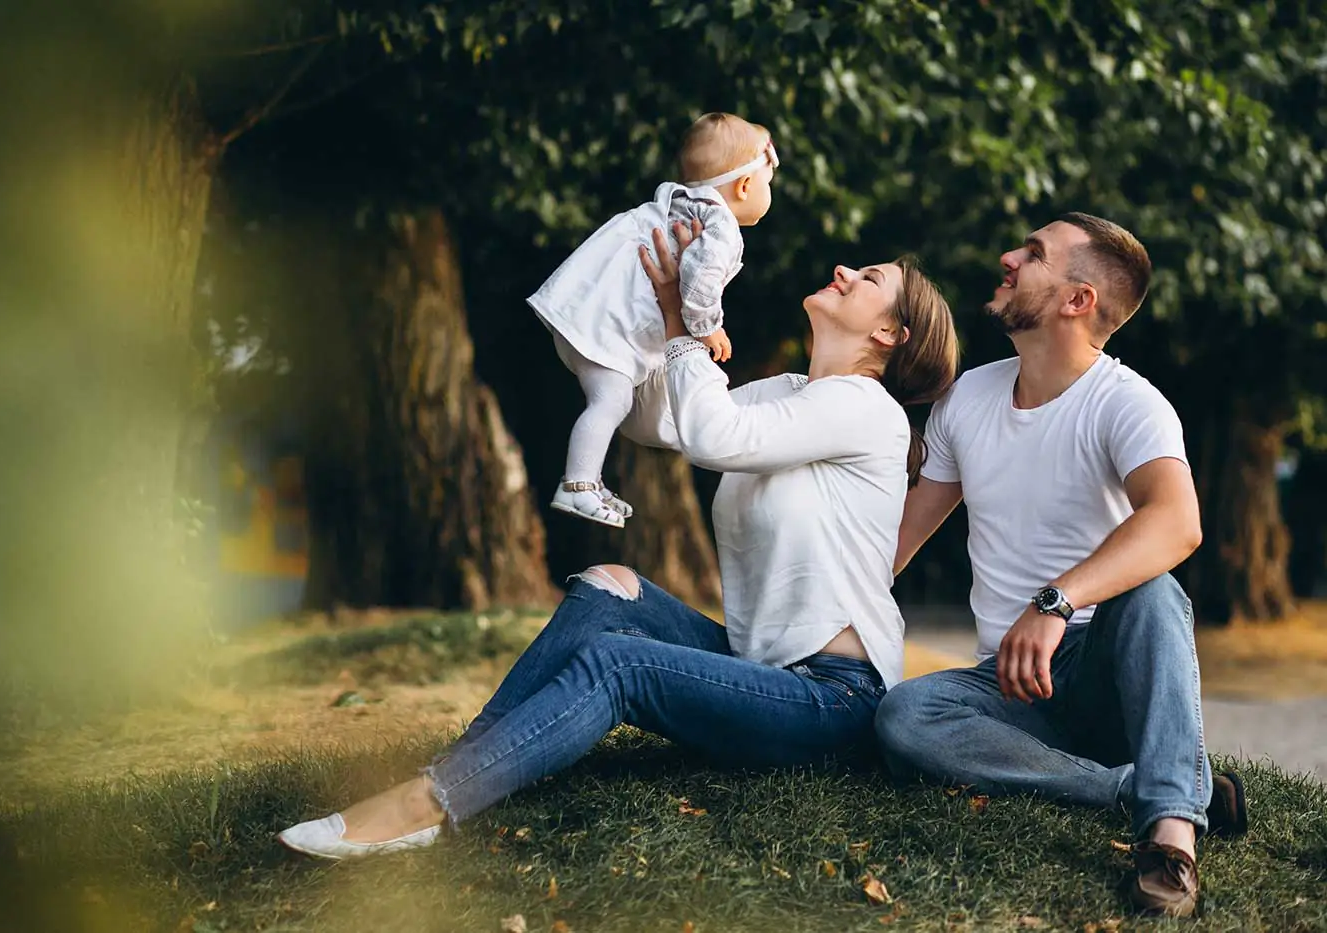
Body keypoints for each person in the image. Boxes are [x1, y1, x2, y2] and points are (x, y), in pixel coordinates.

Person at [277, 222, 959, 860]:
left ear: (890, 332)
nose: (843, 269)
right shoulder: (791, 392)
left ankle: (425, 803)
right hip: (763, 664)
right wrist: (647, 313)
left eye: (867, 278)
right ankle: (469, 764)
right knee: (609, 584)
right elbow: (657, 419)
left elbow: (714, 434)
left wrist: (683, 327)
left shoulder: (865, 409)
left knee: (618, 662)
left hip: (830, 700)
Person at [872, 213, 1249, 918]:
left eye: (1035, 254)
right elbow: (899, 538)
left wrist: (1056, 603)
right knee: (904, 716)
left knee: (1154, 591)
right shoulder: (968, 398)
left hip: (1107, 672)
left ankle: (1170, 837)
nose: (1010, 256)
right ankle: (1138, 785)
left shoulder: (1129, 403)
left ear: (1079, 300)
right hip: (1011, 694)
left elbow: (1177, 522)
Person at [527, 112, 778, 528]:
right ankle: (577, 485)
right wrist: (708, 326)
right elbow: (698, 281)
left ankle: (590, 478)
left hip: (586, 316)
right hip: (606, 332)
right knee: (612, 401)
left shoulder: (677, 201)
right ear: (745, 185)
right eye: (768, 183)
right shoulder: (722, 227)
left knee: (613, 402)